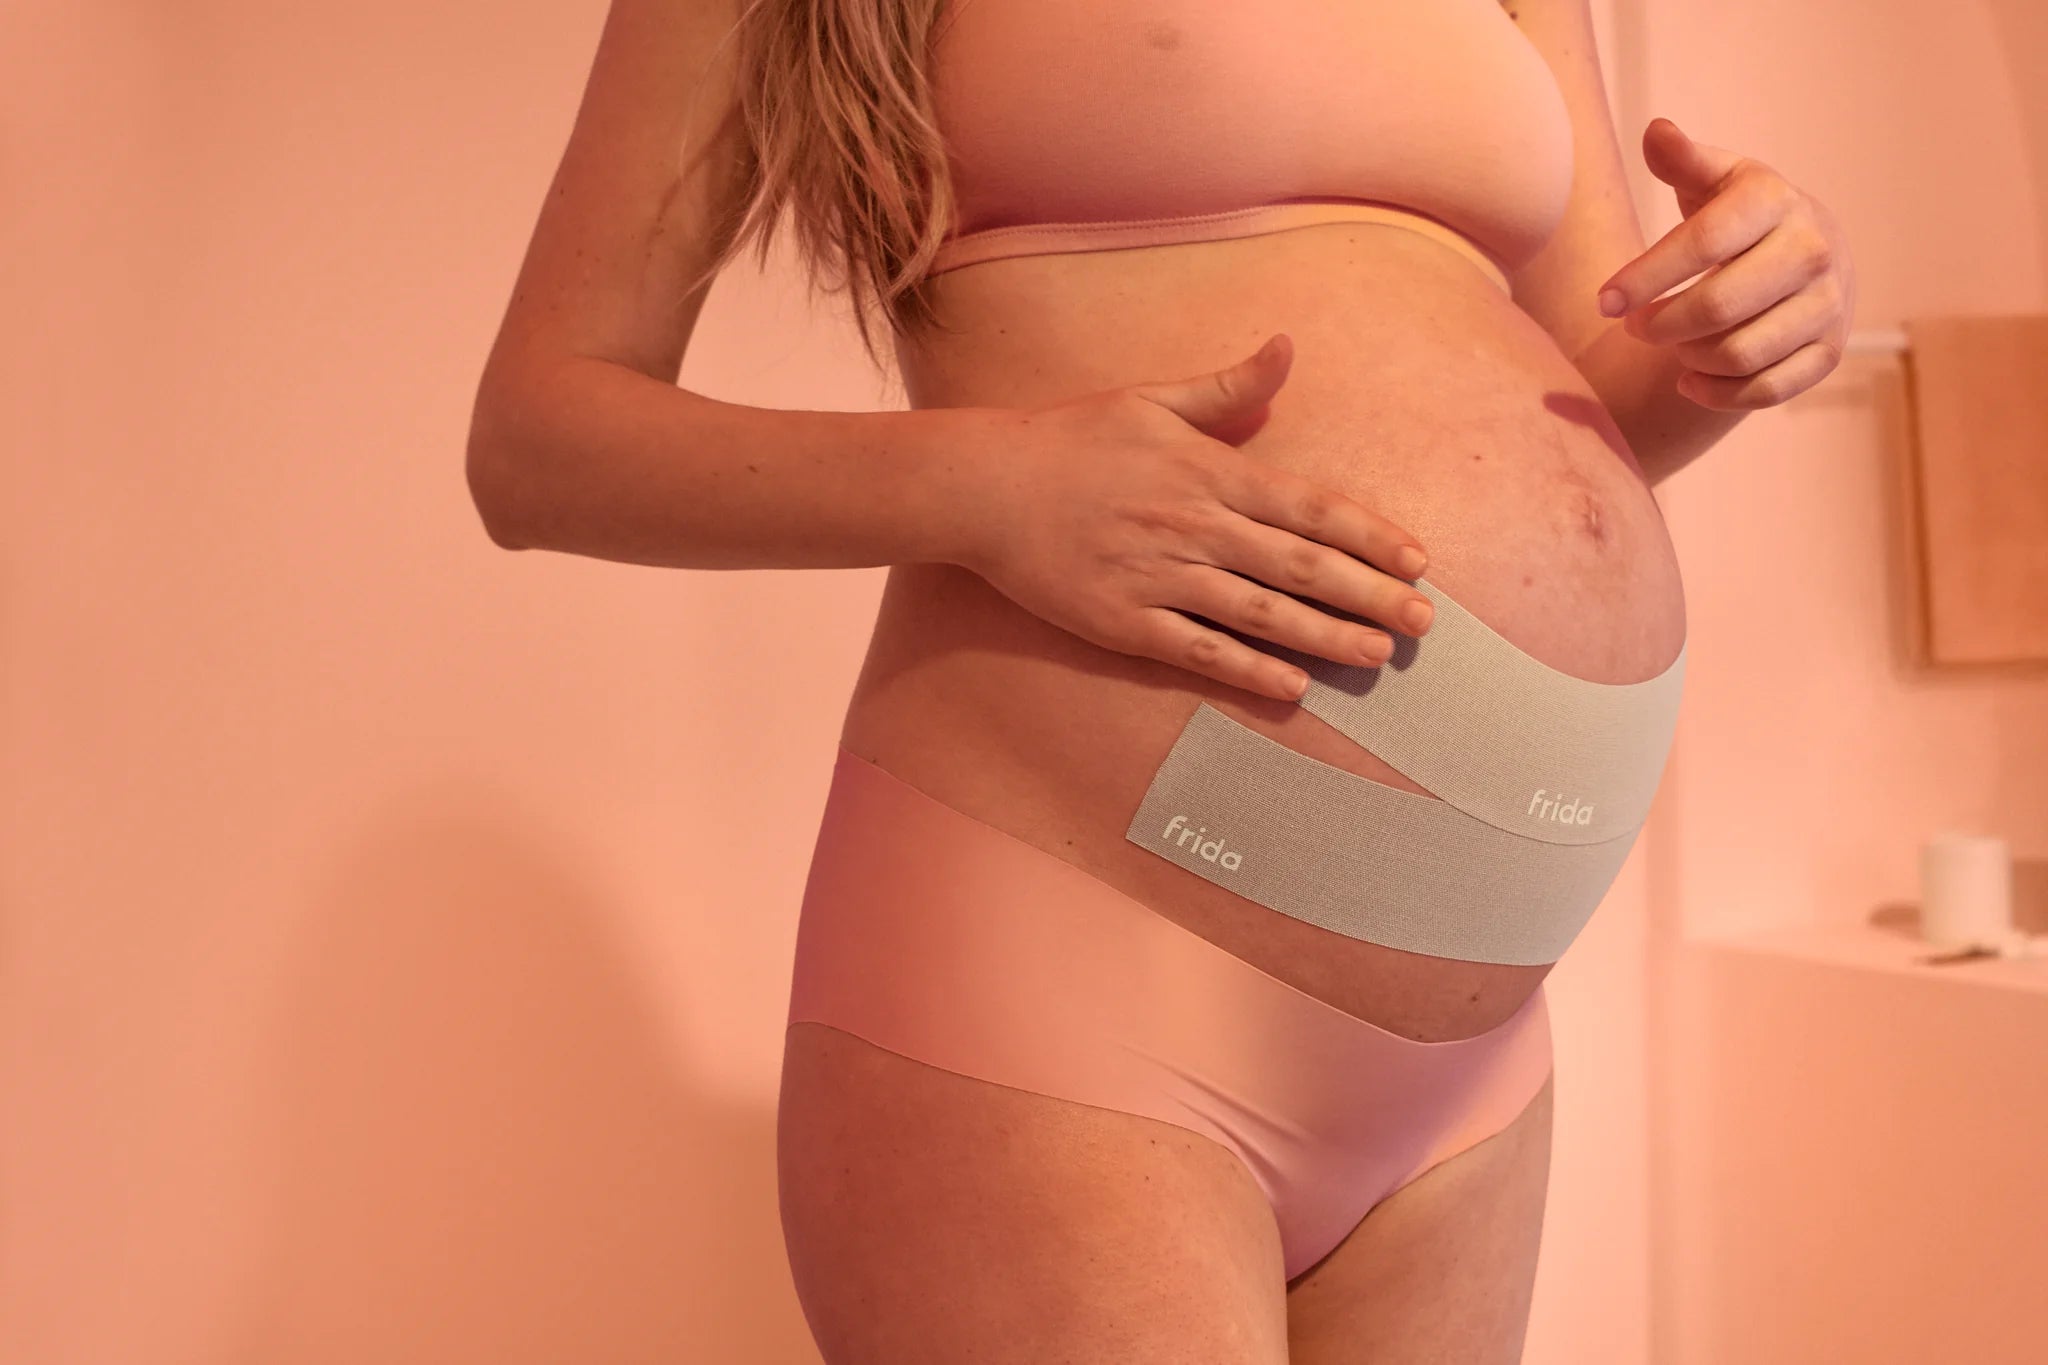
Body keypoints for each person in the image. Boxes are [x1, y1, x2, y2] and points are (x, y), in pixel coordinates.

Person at [467, 0, 1854, 1359]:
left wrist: (1751, 314)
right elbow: (538, 440)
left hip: (1469, 1064)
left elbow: (1602, 381)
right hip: (1074, 969)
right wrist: (987, 484)